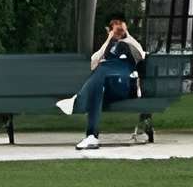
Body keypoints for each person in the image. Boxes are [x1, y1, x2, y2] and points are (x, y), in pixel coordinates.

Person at [56, 14, 145, 148]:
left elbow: (141, 55)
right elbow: (93, 63)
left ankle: (78, 99)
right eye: (115, 23)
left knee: (100, 72)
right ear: (108, 29)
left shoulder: (131, 45)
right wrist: (109, 39)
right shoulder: (107, 48)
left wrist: (127, 36)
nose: (118, 26)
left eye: (121, 23)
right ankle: (91, 136)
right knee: (98, 85)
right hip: (107, 86)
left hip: (124, 86)